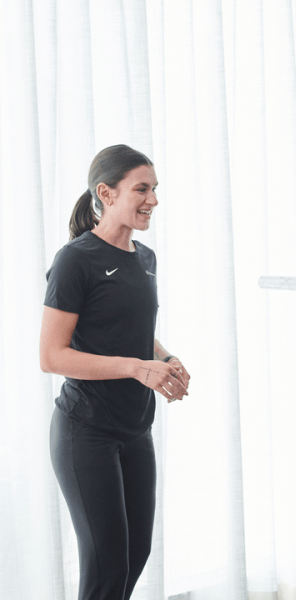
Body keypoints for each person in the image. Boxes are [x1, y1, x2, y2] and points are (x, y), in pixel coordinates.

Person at [40, 144, 191, 600]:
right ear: (106, 193)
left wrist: (164, 359)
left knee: (135, 555)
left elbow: (132, 332)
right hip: (86, 432)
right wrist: (134, 367)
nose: (153, 200)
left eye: (155, 189)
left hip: (134, 429)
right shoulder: (76, 260)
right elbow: (51, 355)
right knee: (107, 568)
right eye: (142, 189)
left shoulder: (145, 259)